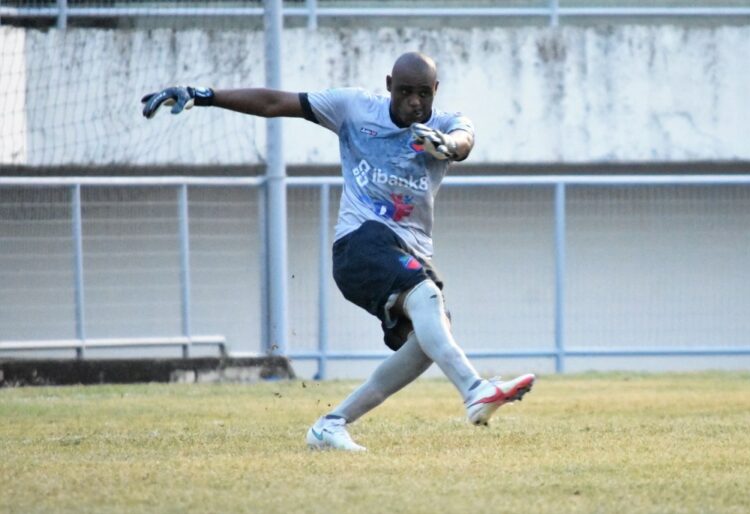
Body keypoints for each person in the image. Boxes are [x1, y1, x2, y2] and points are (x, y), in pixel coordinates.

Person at [142, 51, 535, 452]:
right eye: (404, 92)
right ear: (388, 87)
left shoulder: (448, 124)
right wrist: (204, 95)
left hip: (407, 250)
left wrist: (447, 146)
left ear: (435, 91)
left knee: (427, 343)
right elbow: (276, 103)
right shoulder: (354, 108)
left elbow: (465, 141)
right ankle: (474, 390)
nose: (414, 102)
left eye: (423, 94)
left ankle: (331, 424)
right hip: (358, 245)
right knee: (427, 298)